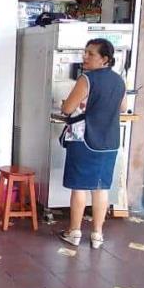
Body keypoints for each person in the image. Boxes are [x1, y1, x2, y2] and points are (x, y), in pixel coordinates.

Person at [58, 38, 126, 249]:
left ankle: (75, 232)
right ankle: (97, 235)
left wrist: (69, 106)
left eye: (91, 54)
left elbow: (68, 108)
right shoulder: (119, 80)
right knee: (100, 188)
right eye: (85, 52)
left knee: (79, 187)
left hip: (86, 139)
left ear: (105, 59)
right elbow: (122, 108)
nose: (85, 57)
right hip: (110, 141)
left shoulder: (87, 79)